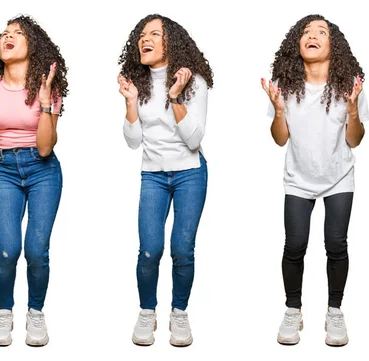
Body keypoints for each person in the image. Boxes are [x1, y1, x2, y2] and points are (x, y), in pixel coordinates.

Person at [261, 14, 369, 346]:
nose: (312, 35)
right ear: (298, 44)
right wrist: (279, 111)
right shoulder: (286, 85)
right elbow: (280, 140)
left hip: (338, 177)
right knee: (294, 245)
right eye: (306, 32)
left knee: (336, 245)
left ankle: (334, 311)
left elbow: (355, 140)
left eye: (321, 32)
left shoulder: (349, 85)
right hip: (298, 178)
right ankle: (293, 310)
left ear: (333, 45)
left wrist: (352, 112)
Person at [0, 14, 68, 347]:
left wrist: (46, 102)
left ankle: (35, 313)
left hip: (43, 170)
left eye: (17, 33)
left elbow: (45, 146)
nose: (7, 36)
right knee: (7, 250)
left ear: (31, 45)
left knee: (36, 251)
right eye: (4, 33)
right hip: (7, 169)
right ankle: (4, 312)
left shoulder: (47, 85)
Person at [118, 14, 213, 347]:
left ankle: (179, 313)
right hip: (153, 175)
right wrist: (131, 103)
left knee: (182, 250)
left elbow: (194, 139)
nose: (145, 39)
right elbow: (132, 141)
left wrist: (174, 97)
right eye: (142, 35)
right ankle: (147, 312)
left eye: (154, 34)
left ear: (170, 41)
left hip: (190, 173)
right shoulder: (137, 83)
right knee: (149, 250)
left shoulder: (194, 82)